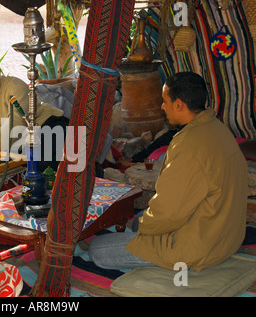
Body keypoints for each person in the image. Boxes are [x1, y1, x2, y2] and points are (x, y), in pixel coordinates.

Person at [89, 72, 248, 272]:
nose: (162, 107)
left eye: (165, 101)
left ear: (179, 104)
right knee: (139, 223)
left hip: (199, 246)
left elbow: (168, 213)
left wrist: (147, 230)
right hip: (228, 235)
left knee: (97, 249)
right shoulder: (218, 129)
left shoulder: (188, 145)